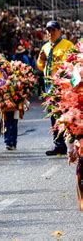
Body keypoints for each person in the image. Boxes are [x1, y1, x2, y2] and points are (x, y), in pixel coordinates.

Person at [37, 21, 74, 156]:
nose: (50, 33)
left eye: (53, 30)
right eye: (48, 30)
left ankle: (70, 142)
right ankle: (58, 145)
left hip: (63, 86)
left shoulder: (67, 45)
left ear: (59, 31)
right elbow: (40, 66)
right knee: (54, 116)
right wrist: (41, 60)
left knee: (65, 114)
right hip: (49, 87)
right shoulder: (46, 47)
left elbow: (70, 63)